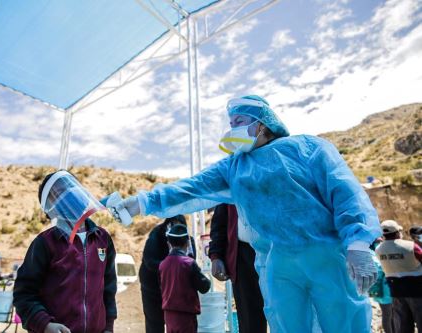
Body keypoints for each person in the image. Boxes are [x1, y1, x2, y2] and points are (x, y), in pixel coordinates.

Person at [116, 95, 381, 333]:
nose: (233, 129)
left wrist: (357, 242)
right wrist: (142, 202)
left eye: (239, 121)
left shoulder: (309, 148)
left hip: (327, 256)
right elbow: (190, 189)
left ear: (262, 124)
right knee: (287, 324)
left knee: (342, 322)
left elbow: (345, 192)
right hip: (279, 264)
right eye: (230, 123)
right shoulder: (235, 167)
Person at [13, 170, 117, 333]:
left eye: (71, 186)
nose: (70, 193)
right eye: (60, 192)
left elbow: (109, 289)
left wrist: (108, 327)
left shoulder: (102, 239)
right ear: (50, 209)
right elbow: (23, 294)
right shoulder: (44, 243)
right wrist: (45, 324)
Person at [208, 204, 266, 333]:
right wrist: (216, 256)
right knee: (250, 320)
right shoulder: (230, 185)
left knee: (285, 316)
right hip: (243, 256)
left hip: (279, 252)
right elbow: (220, 223)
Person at [139, 215, 196, 333]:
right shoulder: (156, 234)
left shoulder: (188, 239)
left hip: (176, 291)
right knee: (155, 324)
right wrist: (171, 265)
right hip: (153, 288)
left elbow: (191, 262)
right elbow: (149, 261)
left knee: (179, 325)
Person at [159, 224, 210, 333]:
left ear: (169, 243)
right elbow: (204, 287)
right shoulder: (189, 263)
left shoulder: (163, 264)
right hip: (186, 316)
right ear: (187, 243)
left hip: (169, 315)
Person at [375, 220, 422, 333]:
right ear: (397, 232)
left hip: (396, 291)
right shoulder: (411, 246)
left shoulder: (378, 250)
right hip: (417, 290)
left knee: (402, 325)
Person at [369, 238, 393, 333]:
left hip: (382, 290)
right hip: (383, 290)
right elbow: (378, 271)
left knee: (388, 314)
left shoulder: (375, 254)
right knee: (387, 314)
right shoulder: (373, 256)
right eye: (379, 242)